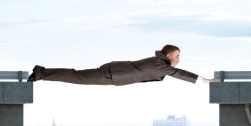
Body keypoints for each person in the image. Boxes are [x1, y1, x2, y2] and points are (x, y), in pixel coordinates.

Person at [27, 44, 216, 86]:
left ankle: (42, 73)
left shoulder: (159, 63)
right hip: (112, 74)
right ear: (169, 55)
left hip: (114, 73)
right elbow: (179, 73)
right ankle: (41, 72)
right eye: (177, 55)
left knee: (77, 77)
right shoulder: (161, 64)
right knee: (77, 77)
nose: (178, 59)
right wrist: (203, 80)